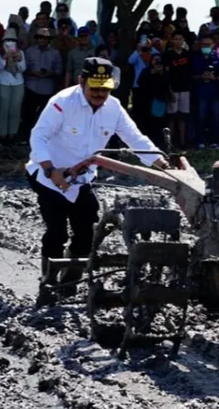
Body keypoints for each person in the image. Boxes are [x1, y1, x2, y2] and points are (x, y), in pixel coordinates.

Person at [26, 57, 169, 295]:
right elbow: (38, 137)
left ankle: (69, 284)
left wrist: (161, 162)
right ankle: (48, 283)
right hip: (49, 176)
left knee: (86, 233)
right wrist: (52, 171)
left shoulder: (113, 108)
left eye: (105, 88)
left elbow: (134, 138)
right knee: (57, 233)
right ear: (82, 81)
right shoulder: (62, 103)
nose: (100, 94)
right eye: (95, 88)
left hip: (82, 178)